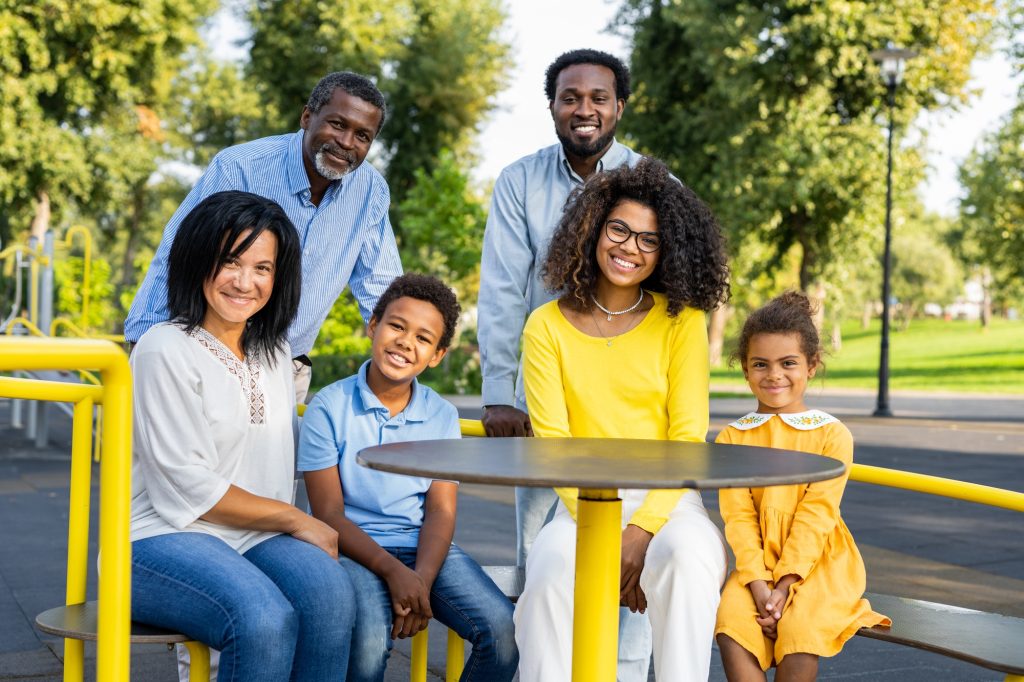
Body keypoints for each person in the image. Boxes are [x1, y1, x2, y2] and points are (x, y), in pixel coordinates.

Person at [514, 158, 731, 681]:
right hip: (584, 501)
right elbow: (553, 445)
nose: (630, 247)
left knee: (688, 561)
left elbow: (686, 438)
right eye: (619, 229)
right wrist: (606, 529)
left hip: (670, 500)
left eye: (649, 240)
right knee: (547, 574)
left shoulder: (683, 322)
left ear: (666, 252)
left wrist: (639, 533)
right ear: (592, 229)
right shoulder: (544, 327)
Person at [476, 47, 654, 678]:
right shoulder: (520, 182)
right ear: (552, 105)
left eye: (598, 98)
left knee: (631, 569)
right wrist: (500, 390)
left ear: (619, 107)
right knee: (543, 561)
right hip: (543, 401)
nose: (584, 109)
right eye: (570, 97)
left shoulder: (653, 182)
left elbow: (677, 293)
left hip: (630, 407)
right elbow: (501, 288)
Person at [129, 190, 356, 681]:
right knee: (262, 619)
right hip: (164, 536)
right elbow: (189, 486)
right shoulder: (163, 347)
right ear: (199, 261)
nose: (245, 282)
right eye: (231, 261)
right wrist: (297, 519)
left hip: (255, 535)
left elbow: (287, 445)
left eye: (262, 268)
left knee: (332, 597)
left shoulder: (273, 352)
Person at [125, 71, 402, 402]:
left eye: (362, 136)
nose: (346, 142)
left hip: (283, 366)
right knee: (180, 453)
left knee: (274, 456)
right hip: (200, 353)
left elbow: (381, 289)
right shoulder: (240, 167)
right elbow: (178, 252)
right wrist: (145, 342)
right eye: (337, 124)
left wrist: (399, 368)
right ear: (307, 117)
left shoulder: (370, 192)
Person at [298, 273, 518, 682]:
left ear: (437, 355)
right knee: (366, 643)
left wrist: (420, 581)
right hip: (350, 550)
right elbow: (328, 513)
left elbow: (440, 511)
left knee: (504, 632)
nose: (404, 342)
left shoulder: (441, 415)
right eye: (396, 326)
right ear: (373, 325)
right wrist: (394, 572)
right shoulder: (328, 407)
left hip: (424, 549)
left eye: (423, 337)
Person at [714, 292, 890, 681]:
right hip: (755, 564)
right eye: (760, 364)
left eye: (787, 363)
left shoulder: (831, 435)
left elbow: (817, 516)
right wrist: (761, 586)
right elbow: (738, 520)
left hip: (818, 562)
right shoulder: (731, 438)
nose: (774, 374)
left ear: (811, 366)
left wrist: (786, 584)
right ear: (745, 370)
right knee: (732, 625)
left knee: (798, 631)